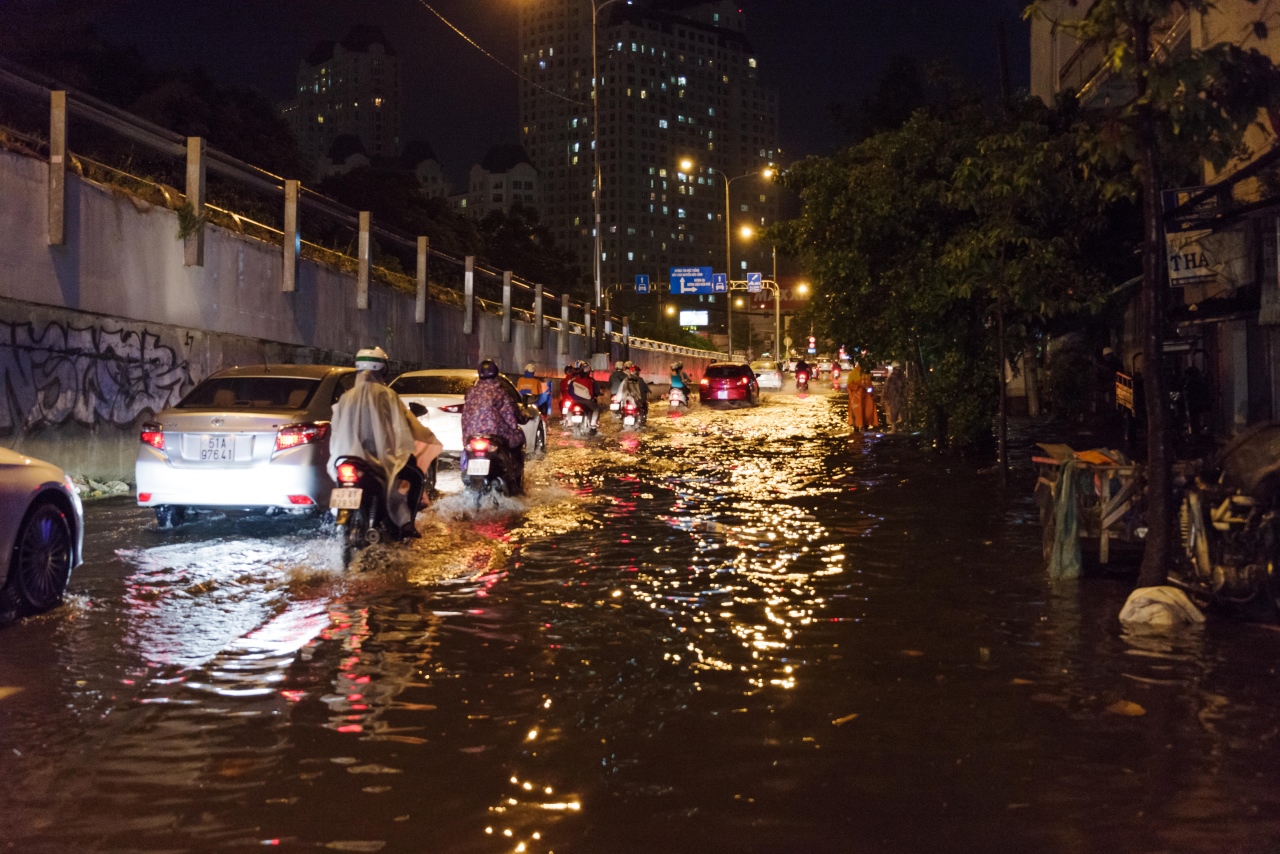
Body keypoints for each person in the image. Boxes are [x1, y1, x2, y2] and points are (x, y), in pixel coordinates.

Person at [329, 346, 440, 539]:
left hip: (345, 459)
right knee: (415, 477)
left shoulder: (346, 398)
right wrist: (425, 436)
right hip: (380, 461)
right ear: (383, 370)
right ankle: (407, 524)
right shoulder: (388, 396)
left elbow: (336, 429)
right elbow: (404, 425)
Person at [461, 359, 527, 494]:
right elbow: (511, 416)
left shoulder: (471, 392)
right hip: (496, 435)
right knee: (518, 439)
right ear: (496, 373)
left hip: (472, 436)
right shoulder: (500, 392)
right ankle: (515, 483)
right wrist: (522, 419)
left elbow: (465, 417)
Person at [566, 359, 601, 432]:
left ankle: (569, 422)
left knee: (569, 409)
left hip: (575, 401)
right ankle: (593, 423)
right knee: (596, 408)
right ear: (588, 372)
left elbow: (569, 391)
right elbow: (594, 392)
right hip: (587, 401)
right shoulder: (591, 381)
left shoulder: (573, 380)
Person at [847, 362, 879, 431]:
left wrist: (872, 392)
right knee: (857, 413)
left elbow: (869, 384)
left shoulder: (866, 373)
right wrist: (859, 386)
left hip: (866, 396)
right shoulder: (853, 373)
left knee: (867, 412)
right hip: (856, 397)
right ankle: (856, 427)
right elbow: (849, 385)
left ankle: (865, 425)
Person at [883, 363, 907, 431]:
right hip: (892, 398)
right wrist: (884, 398)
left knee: (901, 413)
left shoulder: (902, 378)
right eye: (897, 370)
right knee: (893, 414)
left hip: (899, 398)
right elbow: (886, 389)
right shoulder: (890, 378)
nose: (898, 371)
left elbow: (905, 388)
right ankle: (894, 428)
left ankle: (900, 427)